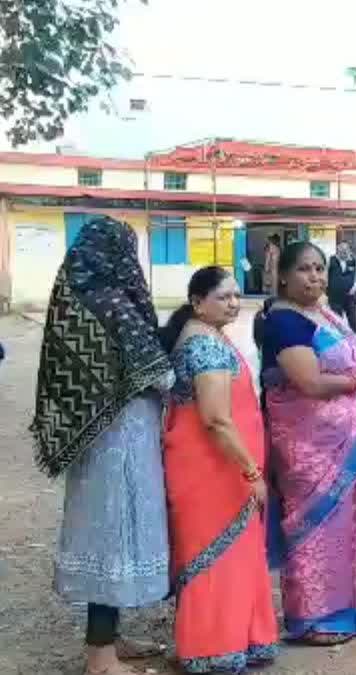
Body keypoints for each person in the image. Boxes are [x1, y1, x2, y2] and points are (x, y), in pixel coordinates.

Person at [31, 215, 173, 675]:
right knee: (117, 537)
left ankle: (109, 637)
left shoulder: (72, 296)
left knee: (106, 532)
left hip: (94, 440)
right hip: (122, 437)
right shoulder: (113, 300)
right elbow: (156, 371)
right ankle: (101, 657)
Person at [261, 241, 356, 642]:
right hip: (311, 446)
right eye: (305, 269)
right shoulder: (283, 322)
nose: (315, 277)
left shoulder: (324, 313)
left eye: (320, 269)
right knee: (319, 529)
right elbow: (308, 383)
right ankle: (314, 617)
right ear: (283, 275)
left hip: (351, 440)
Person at [160, 266, 278, 672]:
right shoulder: (205, 347)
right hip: (213, 470)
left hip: (218, 465)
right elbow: (216, 420)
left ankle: (238, 638)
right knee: (217, 555)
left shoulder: (208, 336)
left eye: (235, 296)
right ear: (197, 303)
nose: (233, 303)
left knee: (236, 554)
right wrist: (251, 472)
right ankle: (211, 646)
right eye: (223, 297)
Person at [328, 241, 356, 334]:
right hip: (335, 298)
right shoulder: (331, 260)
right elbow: (325, 277)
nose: (344, 251)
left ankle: (355, 343)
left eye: (346, 249)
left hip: (350, 298)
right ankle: (339, 344)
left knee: (353, 322)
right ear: (337, 250)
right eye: (341, 249)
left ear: (349, 250)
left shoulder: (354, 262)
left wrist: (353, 289)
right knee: (337, 323)